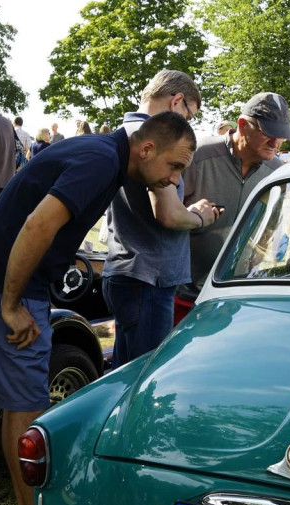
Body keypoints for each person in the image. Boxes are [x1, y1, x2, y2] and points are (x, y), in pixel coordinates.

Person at [0, 112, 196, 505]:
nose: (174, 179)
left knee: (24, 401)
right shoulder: (100, 161)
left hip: (9, 280)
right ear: (146, 150)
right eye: (174, 166)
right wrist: (11, 305)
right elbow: (38, 225)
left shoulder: (109, 156)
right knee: (26, 404)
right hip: (4, 285)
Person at [101, 70, 220, 367]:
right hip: (148, 279)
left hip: (127, 271)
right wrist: (201, 217)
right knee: (144, 379)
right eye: (189, 115)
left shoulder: (126, 133)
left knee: (123, 374)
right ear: (176, 101)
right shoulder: (153, 139)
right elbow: (167, 214)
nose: (187, 124)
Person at [176, 92, 290, 321]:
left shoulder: (276, 172)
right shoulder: (197, 155)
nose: (276, 143)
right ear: (242, 125)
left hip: (234, 295)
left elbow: (269, 231)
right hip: (181, 293)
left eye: (282, 136)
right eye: (269, 132)